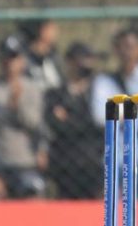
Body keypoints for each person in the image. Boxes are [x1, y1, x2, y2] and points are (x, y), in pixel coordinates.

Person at [0, 35, 45, 199]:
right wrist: (7, 109)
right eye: (5, 58)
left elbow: (34, 123)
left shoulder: (32, 89)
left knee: (33, 198)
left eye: (13, 58)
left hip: (24, 164)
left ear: (22, 60)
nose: (9, 63)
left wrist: (18, 107)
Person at [44, 41, 103, 199]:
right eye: (82, 59)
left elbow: (97, 122)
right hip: (65, 164)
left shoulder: (98, 91)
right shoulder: (56, 94)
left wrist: (70, 118)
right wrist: (84, 120)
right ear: (70, 62)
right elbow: (55, 124)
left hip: (95, 162)